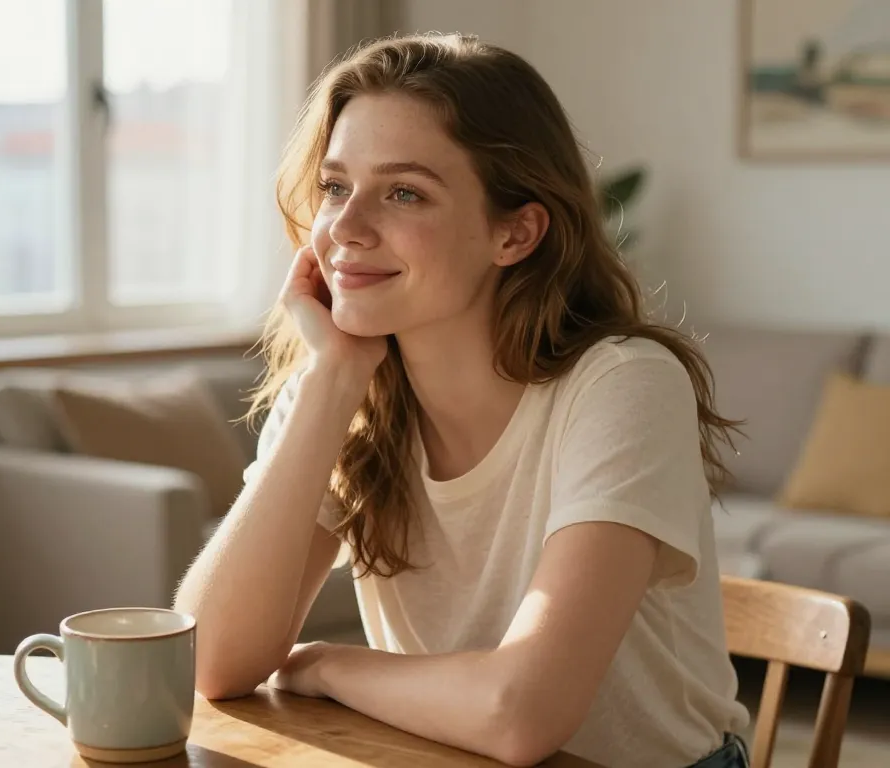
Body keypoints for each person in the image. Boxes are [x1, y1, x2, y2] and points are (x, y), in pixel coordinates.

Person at [173, 32, 752, 768]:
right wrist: (330, 383)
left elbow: (520, 714)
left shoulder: (622, 386)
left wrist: (323, 663)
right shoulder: (339, 386)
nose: (344, 230)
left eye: (404, 192)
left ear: (515, 232)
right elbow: (206, 662)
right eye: (335, 186)